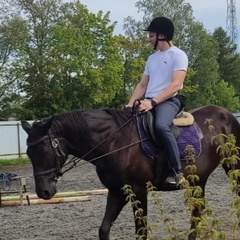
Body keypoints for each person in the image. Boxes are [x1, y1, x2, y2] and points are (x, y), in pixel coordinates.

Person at [125, 16, 188, 188]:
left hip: (169, 100)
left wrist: (153, 103)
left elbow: (175, 84)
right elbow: (142, 84)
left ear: (162, 35)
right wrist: (130, 104)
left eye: (151, 35)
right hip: (148, 100)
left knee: (161, 125)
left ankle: (176, 171)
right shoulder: (152, 59)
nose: (149, 38)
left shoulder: (179, 55)